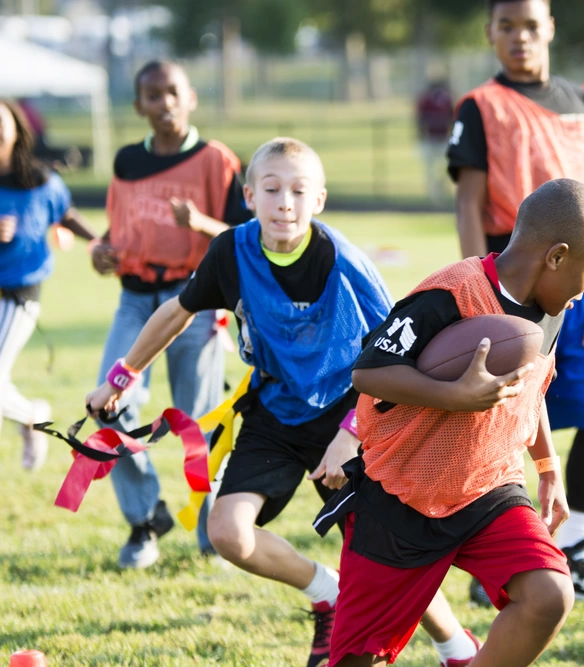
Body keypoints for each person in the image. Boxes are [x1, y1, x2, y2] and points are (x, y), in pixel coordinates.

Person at [86, 137, 481, 667]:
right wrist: (120, 376)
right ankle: (326, 592)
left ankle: (457, 648)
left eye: (298, 191)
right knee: (226, 532)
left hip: (348, 411)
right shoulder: (230, 251)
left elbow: (397, 349)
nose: (284, 203)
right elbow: (176, 312)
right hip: (274, 409)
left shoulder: (344, 260)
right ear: (249, 195)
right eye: (271, 190)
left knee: (384, 556)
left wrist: (351, 432)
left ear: (318, 200)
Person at [313, 178, 584, 666]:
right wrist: (453, 395)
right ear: (556, 257)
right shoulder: (450, 294)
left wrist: (549, 466)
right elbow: (368, 371)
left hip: (487, 491)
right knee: (354, 660)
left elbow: (529, 391)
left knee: (549, 594)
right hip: (401, 497)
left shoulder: (551, 309)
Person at [446, 0, 584, 604]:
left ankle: (576, 549)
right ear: (490, 34)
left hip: (580, 287)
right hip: (513, 287)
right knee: (506, 424)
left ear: (550, 28)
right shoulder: (481, 107)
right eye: (506, 27)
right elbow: (469, 204)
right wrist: (478, 290)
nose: (519, 38)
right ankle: (502, 561)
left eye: (530, 26)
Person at [88, 60, 251, 569]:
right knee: (108, 406)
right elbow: (117, 231)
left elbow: (246, 239)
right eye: (152, 96)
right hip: (135, 299)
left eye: (173, 93)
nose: (164, 104)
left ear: (192, 96)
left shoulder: (217, 160)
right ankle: (144, 522)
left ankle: (212, 532)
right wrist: (102, 251)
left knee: (198, 422)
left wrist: (199, 221)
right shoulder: (126, 161)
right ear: (138, 105)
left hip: (194, 298)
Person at [0, 99, 98, 470]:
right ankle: (31, 415)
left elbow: (67, 215)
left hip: (18, 295)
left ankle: (30, 415)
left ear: (17, 129)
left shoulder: (42, 181)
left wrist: (99, 241)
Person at [416, 79, 455, 204]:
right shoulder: (426, 100)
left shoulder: (447, 100)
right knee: (430, 168)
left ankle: (441, 189)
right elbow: (420, 118)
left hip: (443, 138)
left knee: (446, 167)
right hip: (430, 139)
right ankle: (432, 193)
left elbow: (452, 117)